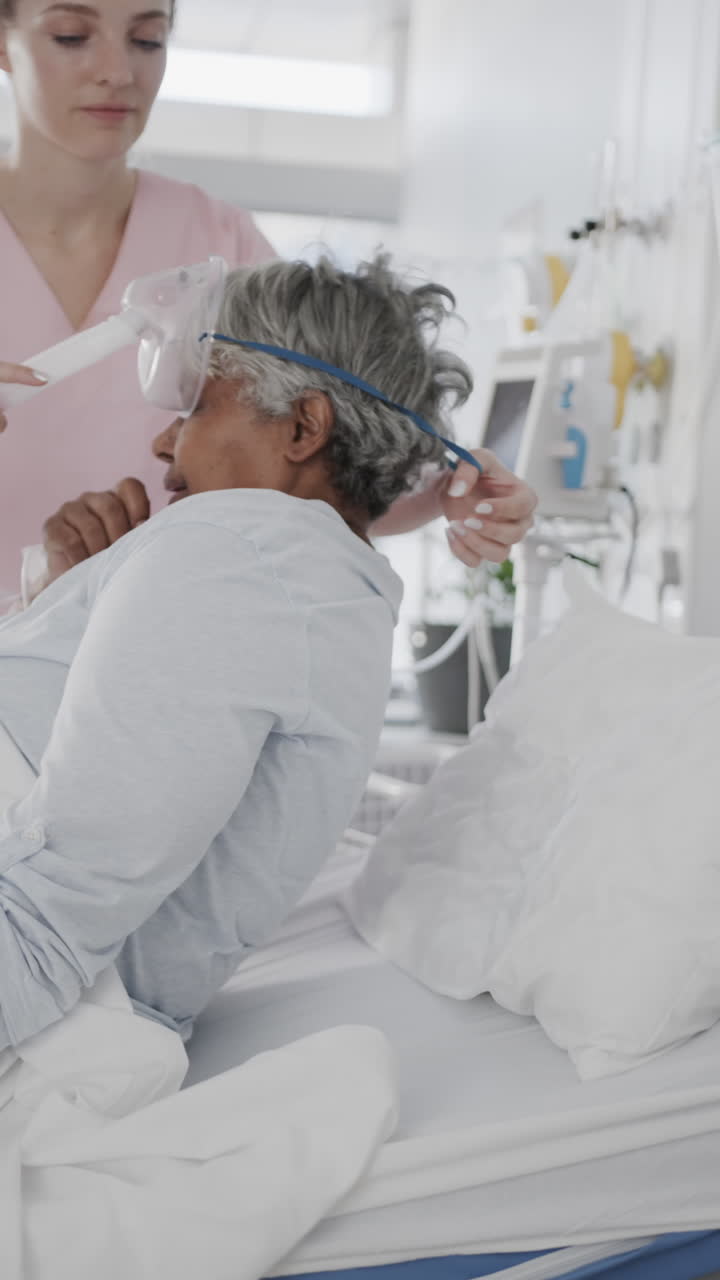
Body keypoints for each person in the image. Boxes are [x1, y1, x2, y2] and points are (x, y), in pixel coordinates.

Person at [0, 253, 497, 1048]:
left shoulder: (243, 553)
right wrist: (71, 595)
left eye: (196, 402)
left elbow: (47, 922)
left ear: (302, 427)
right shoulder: (282, 569)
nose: (163, 441)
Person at [0, 0, 535, 596]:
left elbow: (324, 470)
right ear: (4, 42)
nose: (118, 70)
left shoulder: (222, 245)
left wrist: (447, 495)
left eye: (147, 39)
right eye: (72, 36)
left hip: (166, 636)